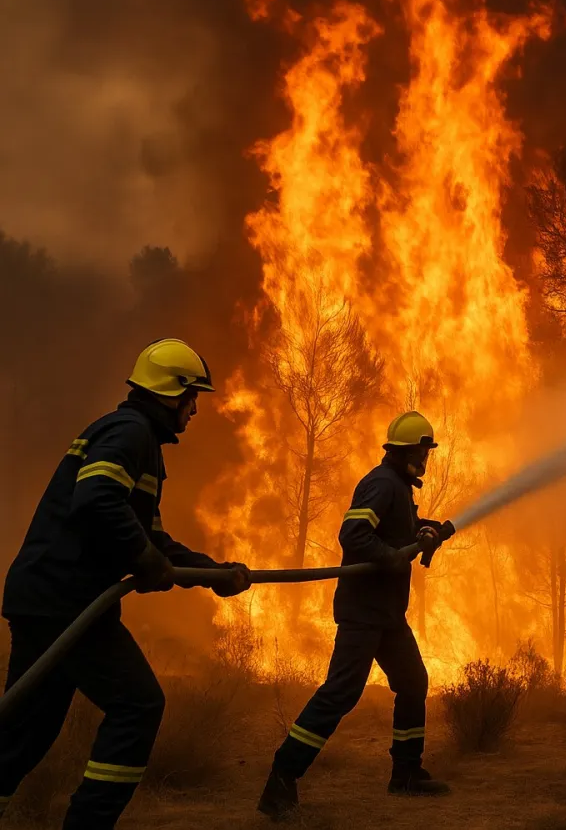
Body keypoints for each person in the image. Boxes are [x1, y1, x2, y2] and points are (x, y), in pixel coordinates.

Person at [0, 338, 252, 829]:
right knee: (138, 703)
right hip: (65, 601)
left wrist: (214, 572)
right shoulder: (130, 432)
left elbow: (153, 539)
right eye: (192, 396)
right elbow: (96, 502)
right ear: (169, 392)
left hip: (49, 597)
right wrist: (143, 560)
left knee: (25, 732)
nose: (195, 409)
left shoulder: (139, 444)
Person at [258, 411, 454, 819]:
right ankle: (281, 778)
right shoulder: (382, 484)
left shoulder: (398, 487)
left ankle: (406, 773)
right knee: (341, 692)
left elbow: (398, 529)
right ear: (407, 452)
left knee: (412, 681)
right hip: (364, 614)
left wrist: (426, 529)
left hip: (386, 616)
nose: (426, 458)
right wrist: (393, 559)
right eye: (423, 451)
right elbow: (354, 534)